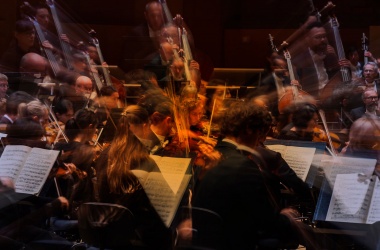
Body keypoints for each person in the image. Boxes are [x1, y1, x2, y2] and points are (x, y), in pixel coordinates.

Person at [193, 101, 308, 249]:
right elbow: (267, 223)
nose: (261, 141)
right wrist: (288, 218)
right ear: (248, 129)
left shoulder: (208, 156)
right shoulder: (244, 166)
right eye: (260, 134)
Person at [95, 106, 171, 249]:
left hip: (108, 232)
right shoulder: (144, 161)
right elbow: (165, 202)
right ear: (144, 126)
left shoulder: (104, 155)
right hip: (137, 236)